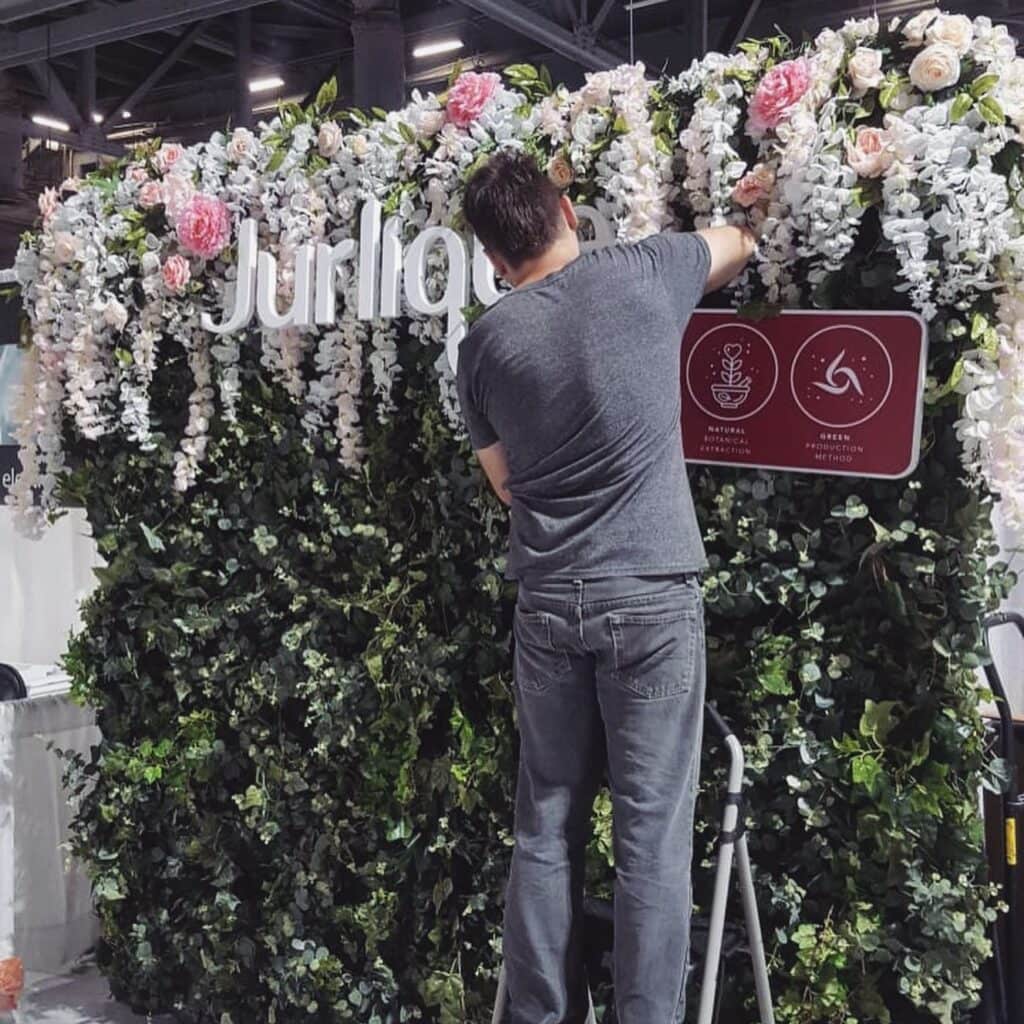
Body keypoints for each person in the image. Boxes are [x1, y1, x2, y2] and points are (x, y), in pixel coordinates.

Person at [456, 150, 756, 1024]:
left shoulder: (483, 346)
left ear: (493, 261)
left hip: (549, 602)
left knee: (544, 825)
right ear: (569, 212)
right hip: (654, 596)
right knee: (651, 837)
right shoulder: (645, 273)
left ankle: (542, 1014)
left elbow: (506, 484)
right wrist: (753, 209)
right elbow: (738, 242)